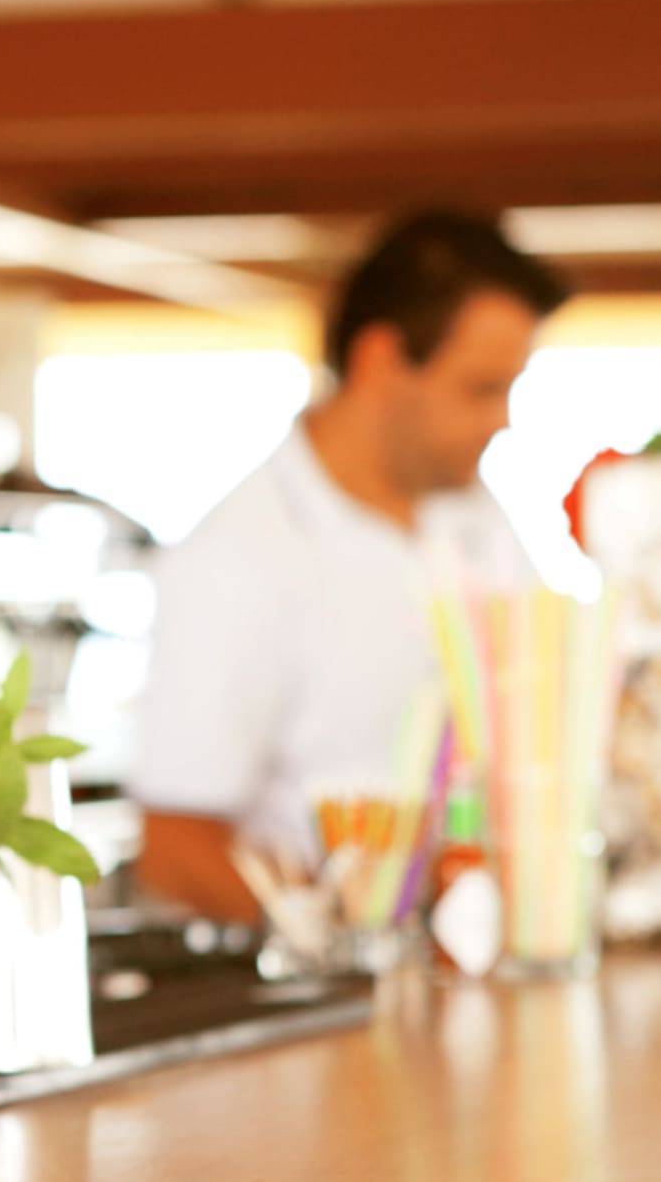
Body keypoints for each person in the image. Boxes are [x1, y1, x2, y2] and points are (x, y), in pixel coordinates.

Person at [131, 212, 569, 923]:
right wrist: (338, 943)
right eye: (482, 389)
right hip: (330, 969)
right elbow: (175, 848)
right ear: (380, 361)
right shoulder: (237, 558)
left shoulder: (481, 519)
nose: (504, 420)